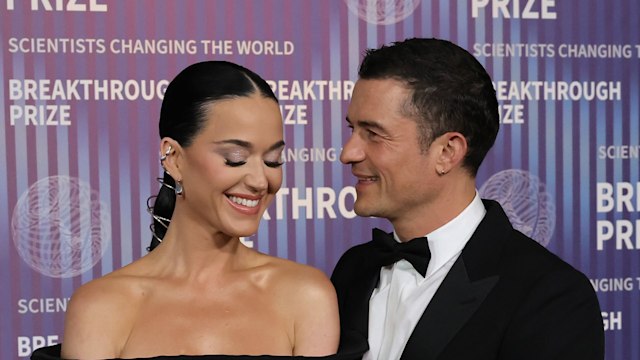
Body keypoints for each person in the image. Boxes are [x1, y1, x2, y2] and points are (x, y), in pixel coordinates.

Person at [31, 61, 367, 360]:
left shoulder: (306, 295)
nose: (259, 180)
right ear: (174, 158)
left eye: (272, 160)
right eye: (235, 158)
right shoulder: (101, 308)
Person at [331, 38, 604, 360]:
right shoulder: (354, 268)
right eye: (352, 130)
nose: (348, 153)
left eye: (373, 134)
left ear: (447, 152)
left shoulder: (550, 296)